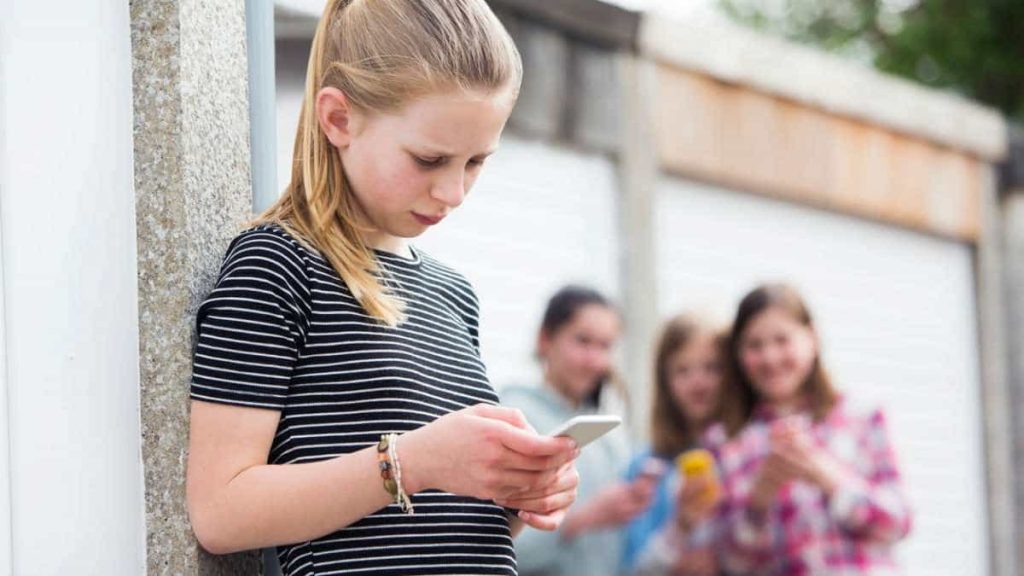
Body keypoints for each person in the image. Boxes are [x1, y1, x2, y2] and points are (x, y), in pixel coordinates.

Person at [185, 1, 579, 574]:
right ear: (338, 119)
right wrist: (410, 462)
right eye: (429, 159)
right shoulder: (278, 264)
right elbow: (220, 511)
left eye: (475, 162)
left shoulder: (452, 293)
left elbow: (432, 526)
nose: (454, 192)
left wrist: (518, 492)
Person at [714, 284, 912, 575]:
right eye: (754, 345)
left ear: (812, 337)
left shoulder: (861, 415)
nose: (770, 357)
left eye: (782, 340)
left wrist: (822, 471)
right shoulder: (729, 442)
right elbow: (731, 563)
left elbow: (898, 522)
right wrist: (760, 496)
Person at [502, 286, 652, 576]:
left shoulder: (611, 437)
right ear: (545, 339)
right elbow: (490, 547)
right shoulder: (512, 418)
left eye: (605, 346)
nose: (595, 361)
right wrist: (582, 520)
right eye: (583, 341)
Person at [622, 314, 726, 576]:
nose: (698, 383)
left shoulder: (742, 452)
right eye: (682, 370)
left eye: (712, 368)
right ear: (664, 382)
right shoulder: (647, 467)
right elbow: (632, 565)